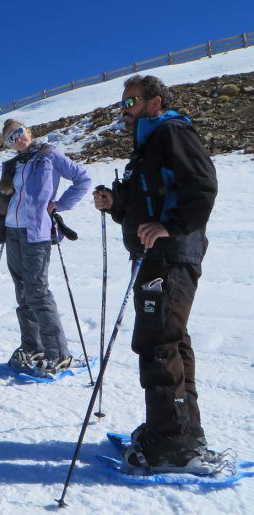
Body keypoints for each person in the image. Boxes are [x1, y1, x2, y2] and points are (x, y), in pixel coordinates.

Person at [93, 75, 217, 470]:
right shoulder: (149, 143)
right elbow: (150, 198)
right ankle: (179, 433)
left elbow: (202, 187)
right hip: (158, 255)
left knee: (158, 342)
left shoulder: (171, 132)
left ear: (154, 101)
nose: (124, 111)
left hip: (171, 254)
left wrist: (169, 226)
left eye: (130, 102)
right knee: (170, 340)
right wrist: (116, 203)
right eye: (122, 105)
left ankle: (172, 446)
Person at [0, 119, 91, 376]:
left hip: (36, 232)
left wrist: (60, 205)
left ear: (29, 130)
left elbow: (82, 179)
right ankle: (32, 347)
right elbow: (7, 198)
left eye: (19, 132)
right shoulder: (13, 164)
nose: (17, 138)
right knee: (22, 292)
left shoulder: (49, 155)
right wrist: (1, 227)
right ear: (7, 145)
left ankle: (58, 353)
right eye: (10, 138)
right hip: (13, 231)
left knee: (37, 291)